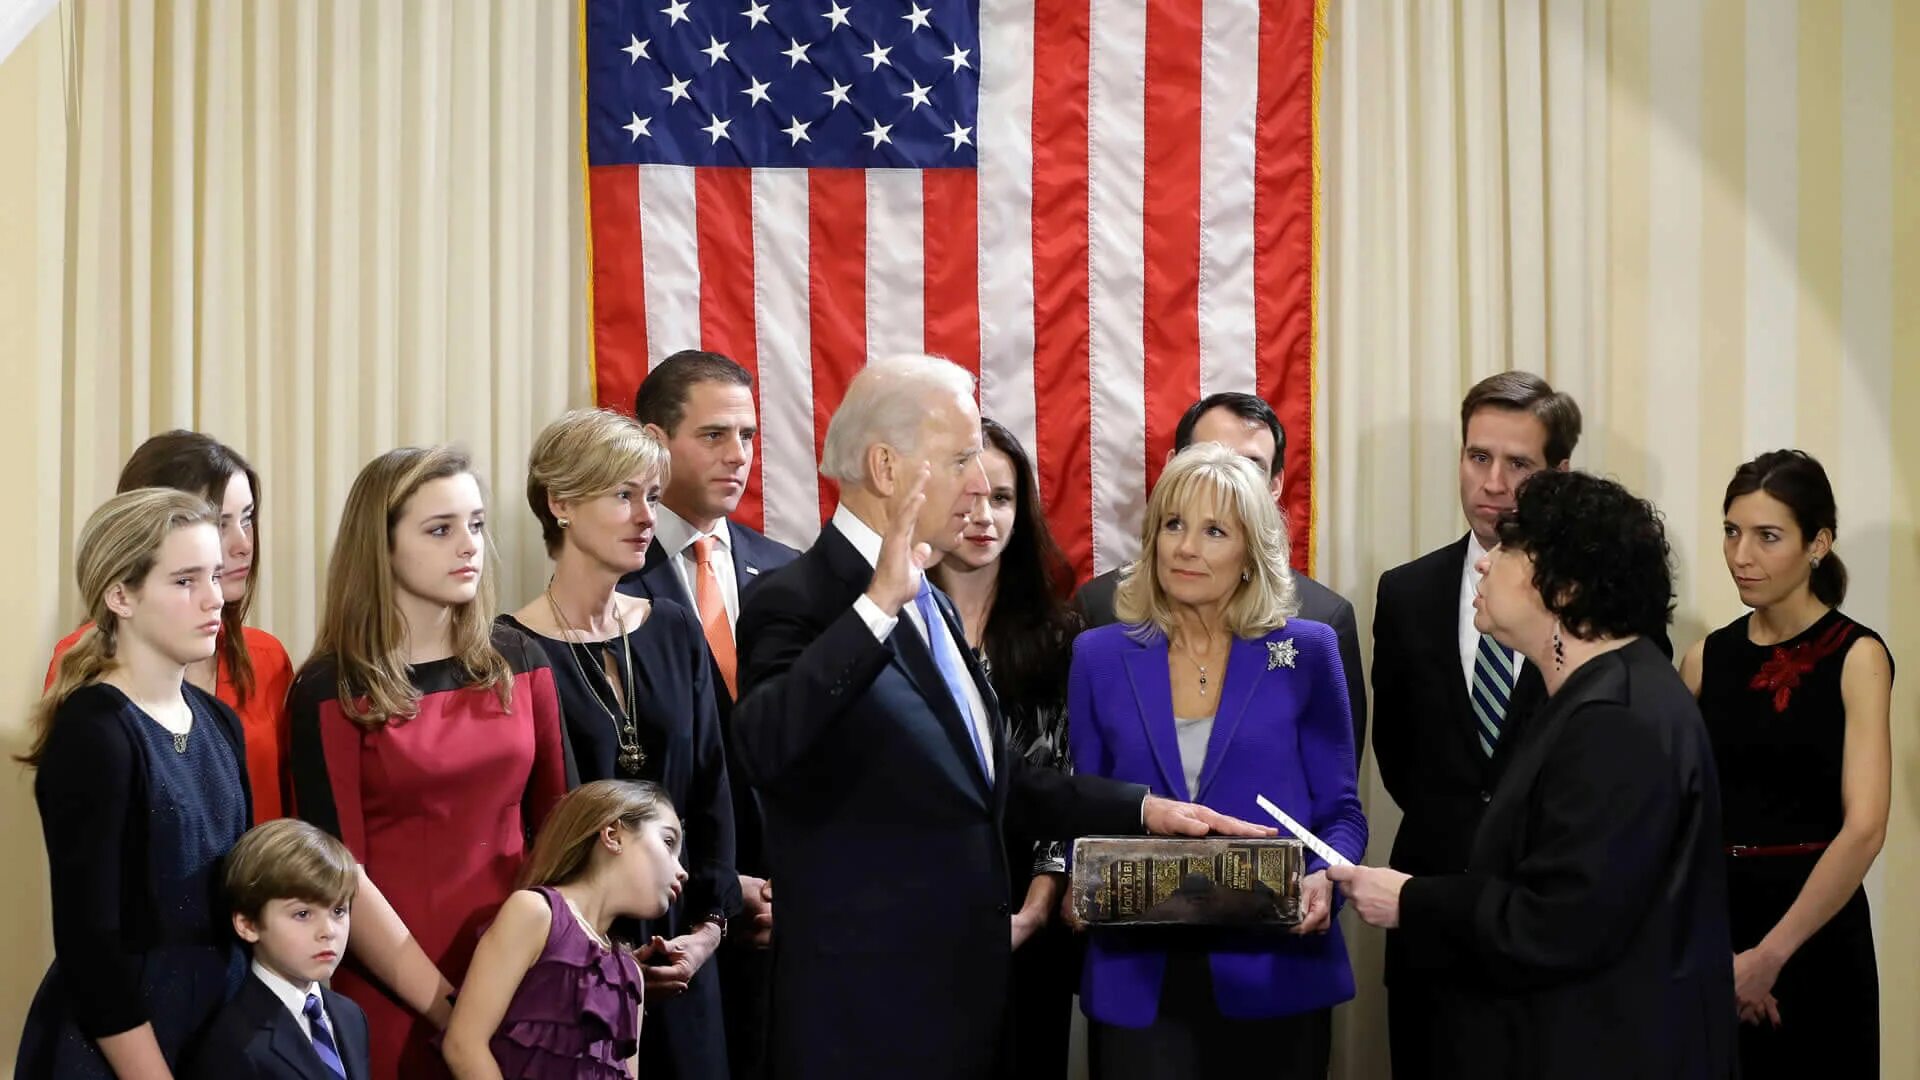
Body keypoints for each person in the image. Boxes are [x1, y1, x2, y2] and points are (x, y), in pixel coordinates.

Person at [728, 353, 1272, 1079]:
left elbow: (990, 780)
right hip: (863, 1013)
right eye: (959, 460)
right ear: (888, 468)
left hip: (967, 996)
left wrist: (1143, 811)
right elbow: (764, 746)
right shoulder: (801, 598)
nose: (979, 485)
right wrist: (874, 609)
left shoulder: (934, 603)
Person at [1332, 470, 1735, 1079]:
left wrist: (1413, 899)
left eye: (1511, 550)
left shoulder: (1615, 718)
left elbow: (1563, 920)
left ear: (1566, 588)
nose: (1486, 565)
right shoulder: (1596, 692)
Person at [1070, 444, 1366, 1079]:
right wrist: (1075, 878)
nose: (1185, 547)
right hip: (1139, 977)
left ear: (1249, 554)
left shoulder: (1306, 651)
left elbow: (1341, 813)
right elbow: (1083, 813)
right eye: (1173, 525)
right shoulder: (1097, 656)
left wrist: (1324, 880)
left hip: (1275, 973)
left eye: (1213, 531)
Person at [289, 446, 570, 1079]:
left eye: (475, 525)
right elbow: (340, 877)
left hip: (523, 979)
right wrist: (455, 1010)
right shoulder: (329, 688)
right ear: (381, 547)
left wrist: (525, 980)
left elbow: (563, 830)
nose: (468, 545)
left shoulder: (520, 660)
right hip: (394, 993)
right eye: (440, 530)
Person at [502, 408, 738, 1079]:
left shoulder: (672, 629)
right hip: (578, 967)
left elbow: (711, 791)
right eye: (622, 495)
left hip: (687, 950)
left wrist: (708, 933)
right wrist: (600, 956)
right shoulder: (509, 651)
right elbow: (532, 830)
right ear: (561, 503)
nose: (645, 516)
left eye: (652, 497)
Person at [1367, 370, 1577, 1077]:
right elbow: (1396, 753)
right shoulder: (1405, 592)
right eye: (1477, 456)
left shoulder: (1596, 603)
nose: (1493, 482)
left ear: (1558, 473)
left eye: (1518, 464)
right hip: (1429, 926)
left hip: (1547, 936)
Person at [15, 489, 252, 1078]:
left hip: (214, 1027)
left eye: (215, 577)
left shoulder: (220, 721)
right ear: (120, 595)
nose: (213, 599)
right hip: (120, 1045)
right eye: (184, 581)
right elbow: (90, 947)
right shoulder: (95, 733)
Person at [1681, 450, 1892, 1078]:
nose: (1741, 555)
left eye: (1768, 536)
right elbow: (1676, 813)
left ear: (1818, 543)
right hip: (1715, 935)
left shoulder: (1856, 656)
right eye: (1731, 531)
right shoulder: (1704, 659)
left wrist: (1770, 956)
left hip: (1817, 937)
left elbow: (1865, 828)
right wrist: (1720, 955)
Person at [619, 350, 796, 1080]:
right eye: (715, 435)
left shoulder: (788, 568)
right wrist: (720, 888)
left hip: (786, 915)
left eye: (749, 436)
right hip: (671, 918)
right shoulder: (611, 577)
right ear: (655, 442)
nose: (739, 456)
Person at [1074, 393, 1367, 752]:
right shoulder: (1101, 610)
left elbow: (1333, 789)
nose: (1220, 475)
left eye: (1249, 466)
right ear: (1172, 470)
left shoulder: (1323, 621)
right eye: (1207, 457)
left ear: (1275, 486)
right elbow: (1078, 780)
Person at [925, 417, 1081, 1079]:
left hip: (1029, 911)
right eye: (968, 497)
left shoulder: (1061, 634)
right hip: (915, 909)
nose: (984, 515)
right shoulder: (890, 619)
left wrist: (1036, 908)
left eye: (1003, 498)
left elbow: (1067, 780)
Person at [46, 431, 295, 822]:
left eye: (247, 519)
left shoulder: (268, 659)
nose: (243, 544)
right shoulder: (80, 660)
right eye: (218, 523)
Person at [443, 780, 685, 1080]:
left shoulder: (630, 974)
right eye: (668, 842)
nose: (682, 870)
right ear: (612, 835)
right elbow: (464, 1045)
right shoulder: (535, 913)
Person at [185, 818, 372, 1080]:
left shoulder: (350, 1016)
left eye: (338, 911)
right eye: (303, 914)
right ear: (248, 924)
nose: (328, 931)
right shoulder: (233, 1043)